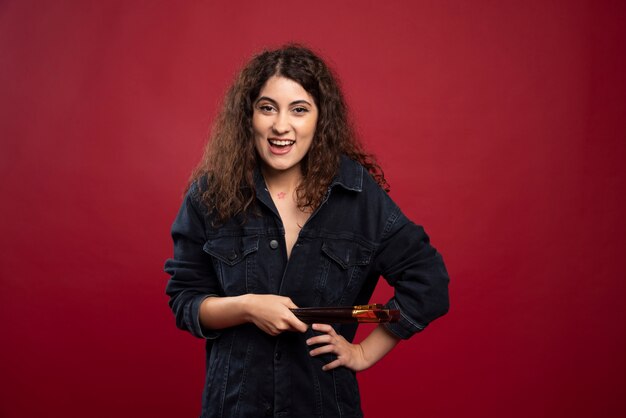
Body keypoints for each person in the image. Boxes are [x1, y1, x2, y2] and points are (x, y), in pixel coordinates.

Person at [165, 44, 449, 418]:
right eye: (267, 108)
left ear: (320, 119)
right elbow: (186, 300)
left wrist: (363, 352)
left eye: (299, 109)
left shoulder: (357, 196)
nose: (281, 125)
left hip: (324, 405)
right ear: (247, 116)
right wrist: (247, 307)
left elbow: (427, 281)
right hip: (233, 406)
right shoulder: (209, 195)